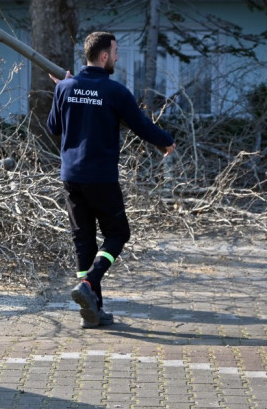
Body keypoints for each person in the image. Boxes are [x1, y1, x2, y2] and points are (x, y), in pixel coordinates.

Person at [46, 32, 176, 328]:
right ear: (104, 56)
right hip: (100, 177)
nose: (117, 57)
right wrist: (166, 140)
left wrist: (62, 93)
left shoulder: (65, 87)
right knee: (119, 234)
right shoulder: (115, 91)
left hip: (71, 178)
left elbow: (53, 126)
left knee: (83, 242)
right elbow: (141, 125)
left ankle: (92, 311)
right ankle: (90, 282)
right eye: (115, 52)